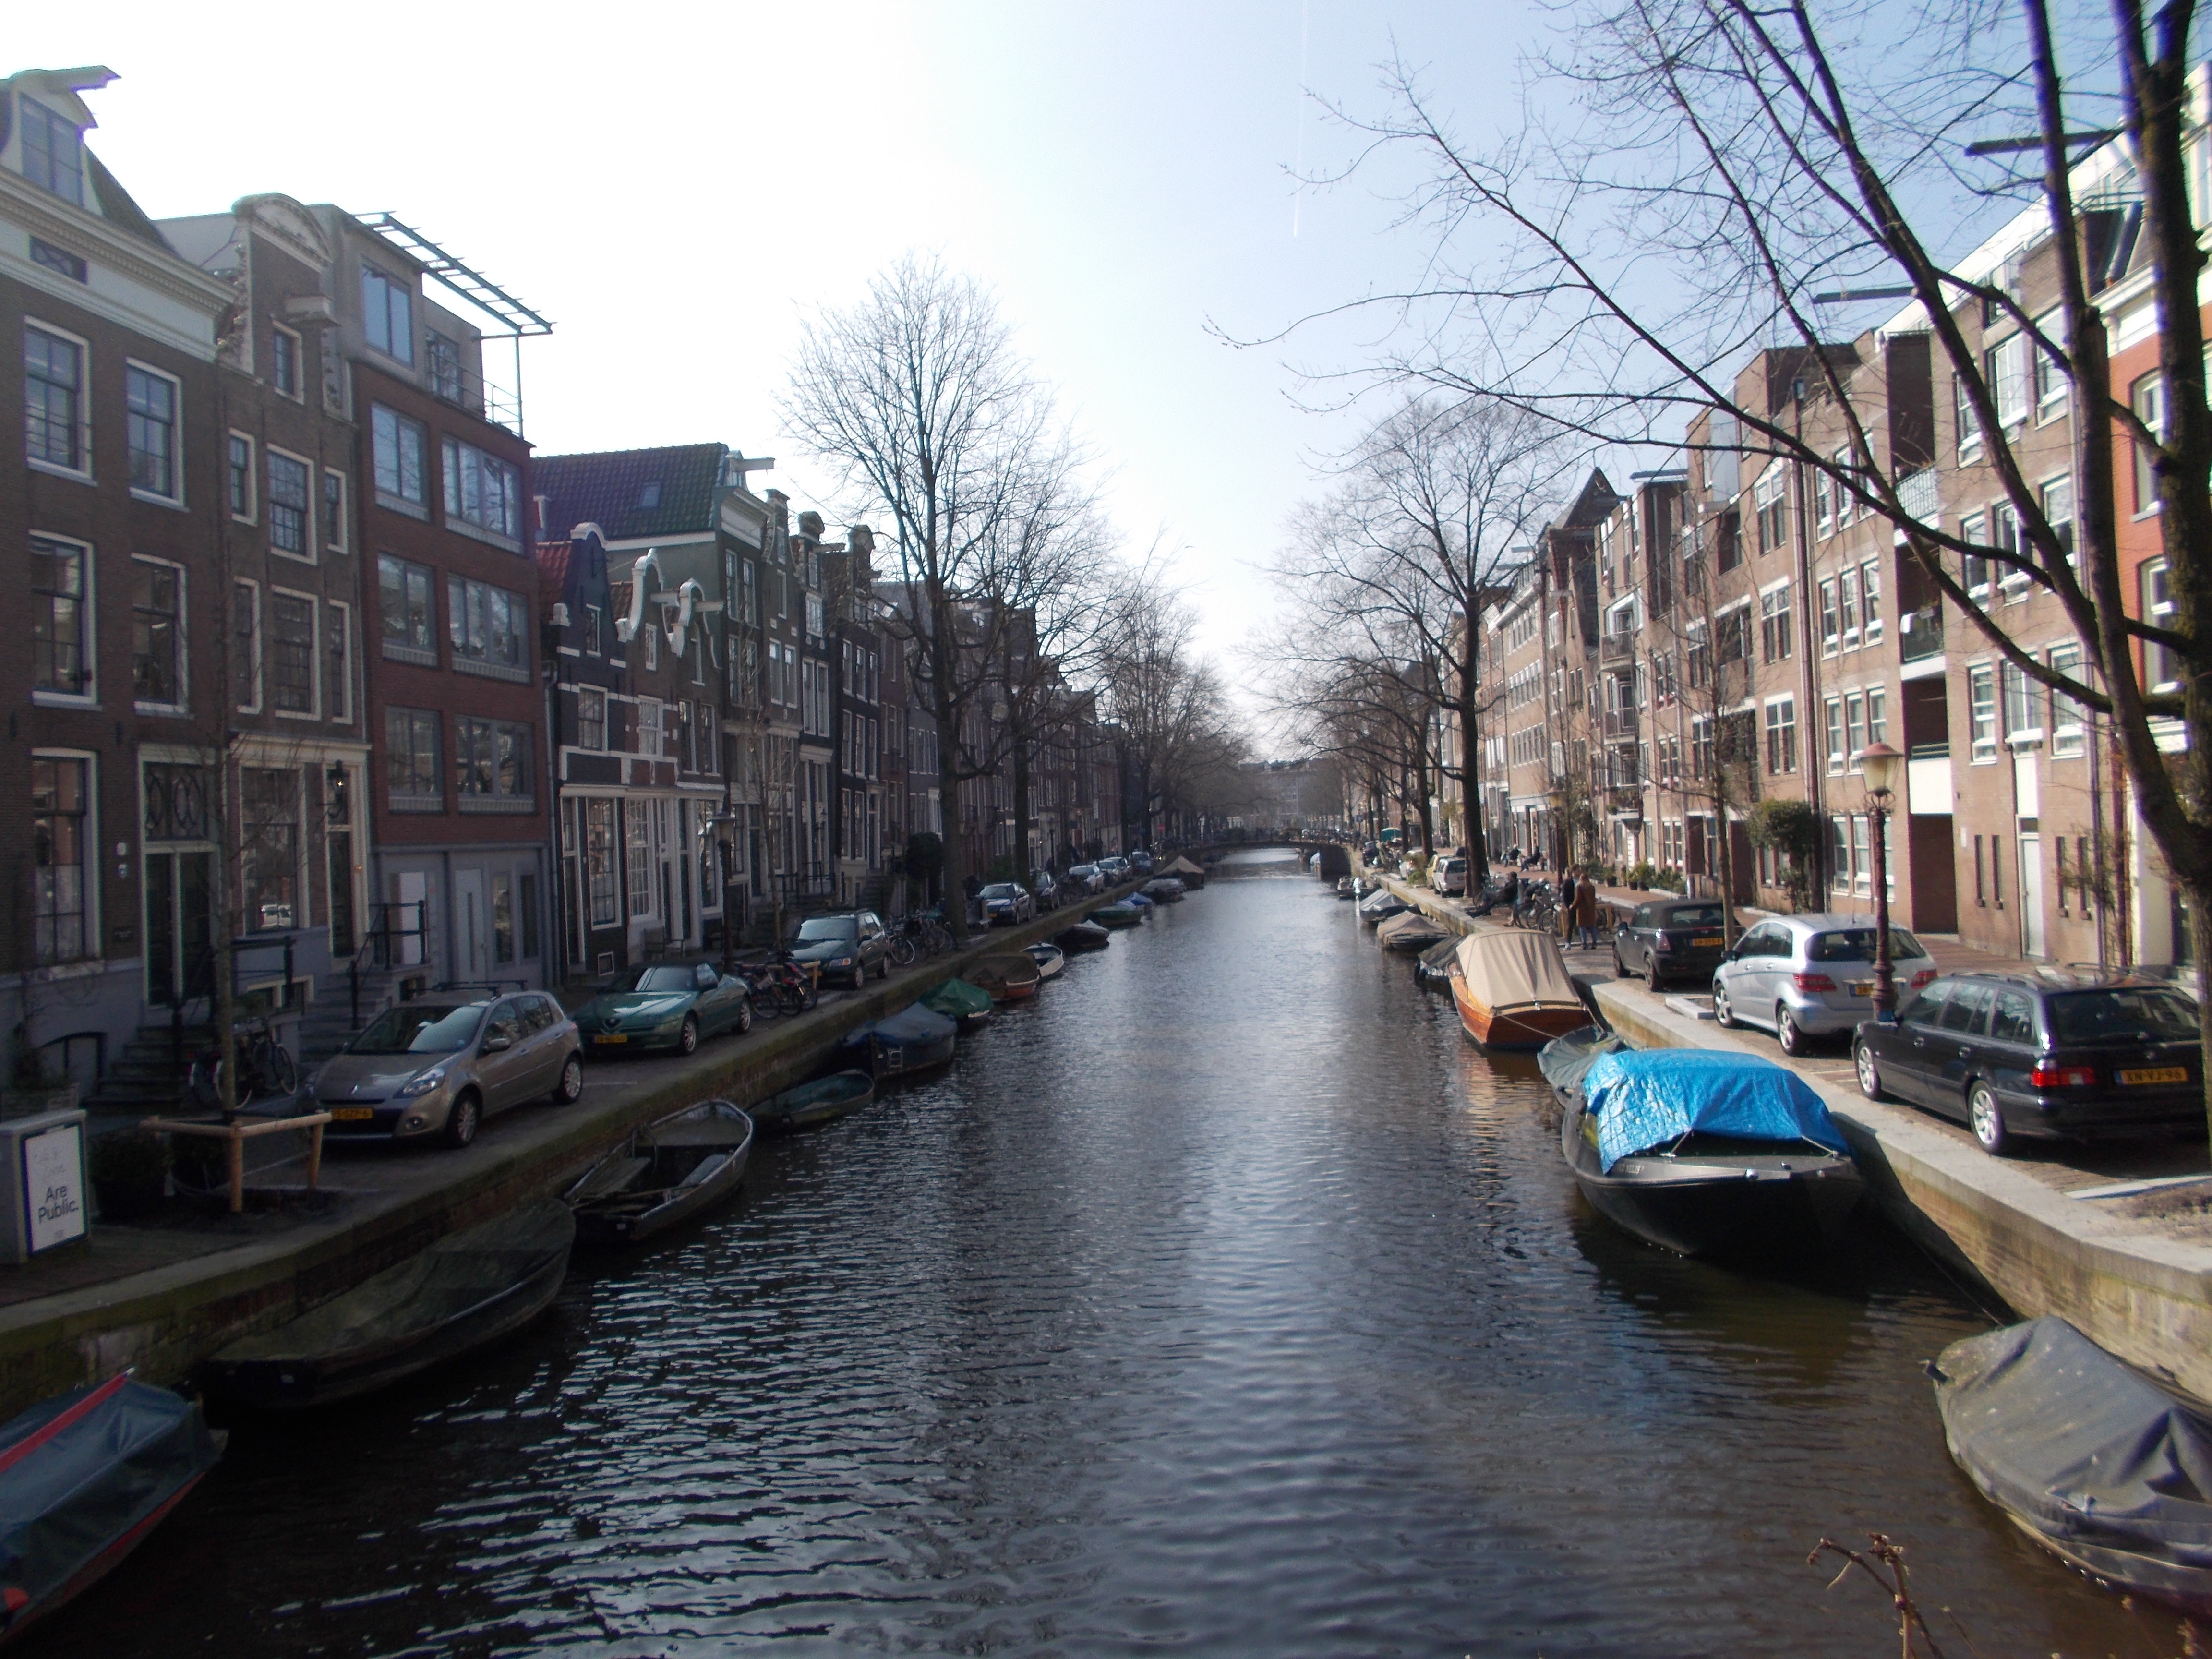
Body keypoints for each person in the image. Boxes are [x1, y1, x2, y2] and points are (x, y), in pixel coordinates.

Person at [1575, 867, 1602, 950]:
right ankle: (1594, 942)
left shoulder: (1579, 887)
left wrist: (1573, 906)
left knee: (1582, 927)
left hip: (1582, 910)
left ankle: (1584, 943)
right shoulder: (1591, 887)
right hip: (1591, 909)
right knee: (1592, 926)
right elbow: (1594, 898)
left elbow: (1578, 899)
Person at [1558, 867, 1579, 944]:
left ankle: (1585, 941)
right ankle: (1568, 942)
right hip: (1571, 906)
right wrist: (1567, 905)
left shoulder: (1581, 880)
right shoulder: (1568, 882)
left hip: (1581, 906)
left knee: (1584, 924)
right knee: (1570, 924)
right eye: (1578, 870)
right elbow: (1565, 895)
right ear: (1573, 871)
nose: (1579, 872)